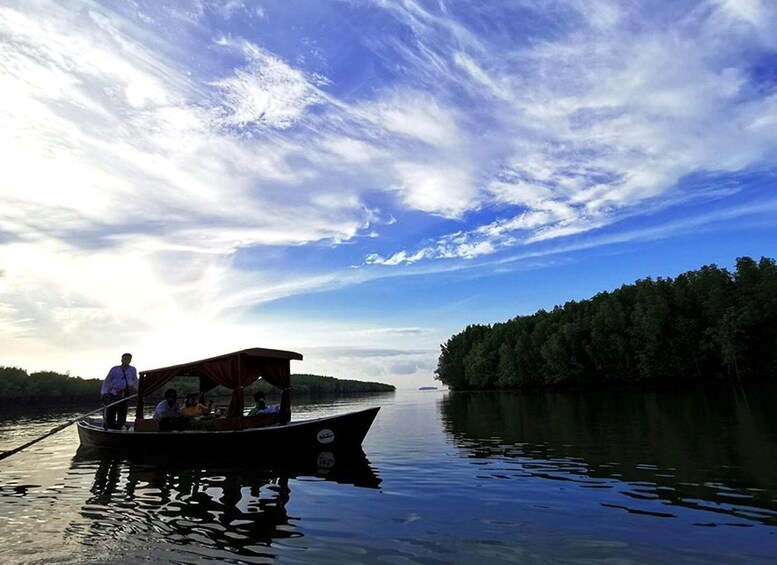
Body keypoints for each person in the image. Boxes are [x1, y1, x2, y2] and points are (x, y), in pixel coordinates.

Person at [101, 352, 139, 430]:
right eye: (125, 359)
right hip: (113, 394)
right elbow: (107, 381)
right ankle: (110, 428)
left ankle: (120, 428)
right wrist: (104, 393)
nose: (127, 360)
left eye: (129, 359)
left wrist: (138, 390)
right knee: (111, 413)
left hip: (125, 395)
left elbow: (135, 380)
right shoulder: (115, 369)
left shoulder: (132, 369)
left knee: (122, 414)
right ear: (122, 360)